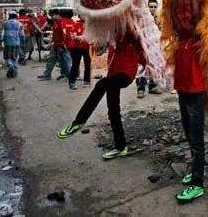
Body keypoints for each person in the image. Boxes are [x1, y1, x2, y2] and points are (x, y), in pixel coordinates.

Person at [57, 27, 145, 160]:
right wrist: (82, 38)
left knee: (101, 84)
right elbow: (98, 46)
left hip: (126, 74)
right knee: (113, 110)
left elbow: (139, 39)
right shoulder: (113, 33)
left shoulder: (134, 32)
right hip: (113, 73)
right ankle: (120, 147)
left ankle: (79, 122)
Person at [172, 0, 206, 203]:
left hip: (196, 91)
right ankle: (194, 170)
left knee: (196, 138)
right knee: (188, 135)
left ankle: (197, 183)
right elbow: (175, 18)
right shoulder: (180, 37)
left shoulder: (198, 37)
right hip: (182, 89)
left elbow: (195, 15)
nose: (183, 21)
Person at [136, 0, 162, 97]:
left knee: (154, 66)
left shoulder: (159, 19)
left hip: (155, 47)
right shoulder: (142, 19)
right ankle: (141, 88)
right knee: (142, 67)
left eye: (155, 7)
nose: (153, 9)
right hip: (144, 46)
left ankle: (152, 86)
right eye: (151, 7)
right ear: (148, 7)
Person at [38, 10, 71, 81]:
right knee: (51, 59)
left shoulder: (62, 22)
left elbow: (65, 33)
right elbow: (55, 34)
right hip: (55, 44)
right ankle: (47, 75)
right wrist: (51, 42)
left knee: (64, 61)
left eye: (53, 15)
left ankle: (67, 75)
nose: (52, 17)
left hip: (61, 45)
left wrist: (64, 43)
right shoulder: (55, 23)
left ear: (58, 15)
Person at [68, 15, 91, 90]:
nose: (84, 16)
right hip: (77, 48)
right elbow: (74, 37)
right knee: (75, 65)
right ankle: (72, 82)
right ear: (80, 16)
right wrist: (86, 37)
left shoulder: (90, 26)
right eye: (82, 14)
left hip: (88, 48)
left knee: (87, 65)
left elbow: (93, 37)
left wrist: (82, 37)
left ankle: (86, 81)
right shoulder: (76, 24)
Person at [2, 12, 24, 78]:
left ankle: (11, 66)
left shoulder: (5, 23)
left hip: (7, 43)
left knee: (7, 56)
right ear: (16, 17)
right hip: (16, 43)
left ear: (9, 17)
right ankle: (13, 67)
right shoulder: (20, 24)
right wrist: (22, 40)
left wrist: (1, 40)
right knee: (14, 57)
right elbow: (22, 35)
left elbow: (2, 33)